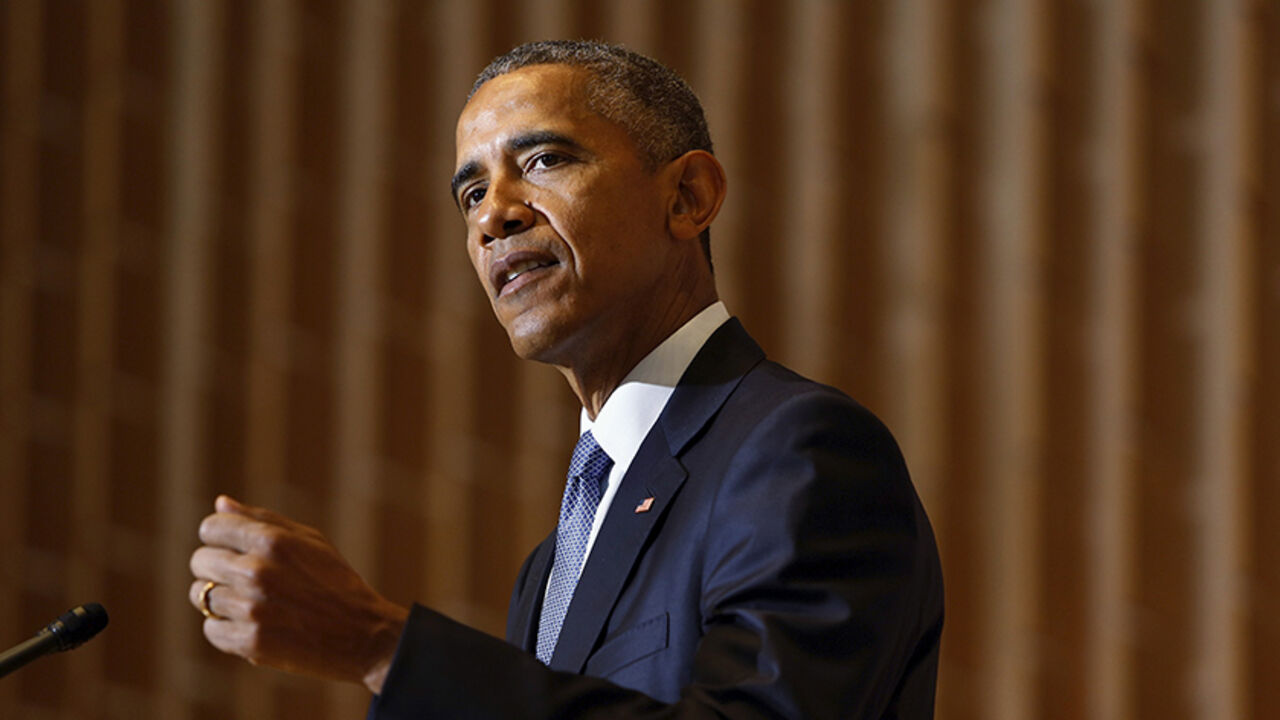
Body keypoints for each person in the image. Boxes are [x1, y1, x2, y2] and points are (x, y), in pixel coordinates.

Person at [189, 40, 943, 719]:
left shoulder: (796, 449)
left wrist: (384, 649)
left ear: (687, 199)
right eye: (472, 193)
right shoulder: (551, 565)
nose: (494, 218)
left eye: (545, 161)